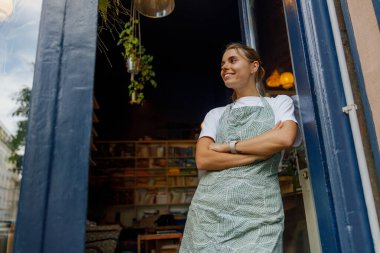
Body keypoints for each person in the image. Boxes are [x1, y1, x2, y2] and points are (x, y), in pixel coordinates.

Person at [179, 42, 299, 253]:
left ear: (253, 67)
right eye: (222, 63)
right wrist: (259, 153)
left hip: (259, 214)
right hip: (210, 215)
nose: (224, 67)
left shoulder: (279, 103)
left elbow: (285, 138)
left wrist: (228, 147)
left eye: (233, 60)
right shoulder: (215, 114)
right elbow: (204, 160)